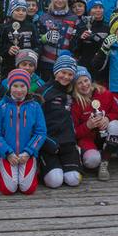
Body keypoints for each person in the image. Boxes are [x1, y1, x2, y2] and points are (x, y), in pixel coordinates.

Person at [0, 68, 47, 195]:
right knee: (8, 189)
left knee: (28, 189)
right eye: (15, 86)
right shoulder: (0, 106)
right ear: (9, 86)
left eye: (22, 86)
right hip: (8, 153)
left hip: (27, 153)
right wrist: (7, 153)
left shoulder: (35, 106)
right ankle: (3, 167)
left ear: (28, 87)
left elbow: (40, 132)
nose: (19, 90)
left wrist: (29, 152)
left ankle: (31, 167)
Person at [37, 54, 82, 188]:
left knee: (74, 180)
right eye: (63, 72)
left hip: (67, 144)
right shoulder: (43, 92)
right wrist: (46, 142)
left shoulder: (71, 93)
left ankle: (71, 162)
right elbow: (35, 122)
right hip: (49, 144)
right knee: (55, 181)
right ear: (56, 72)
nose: (66, 77)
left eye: (70, 74)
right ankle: (40, 166)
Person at [71, 67, 118, 181]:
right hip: (87, 139)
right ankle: (93, 157)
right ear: (74, 86)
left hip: (105, 135)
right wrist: (87, 126)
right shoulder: (75, 103)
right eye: (79, 83)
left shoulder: (105, 93)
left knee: (116, 126)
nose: (84, 85)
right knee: (92, 162)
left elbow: (117, 113)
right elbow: (73, 132)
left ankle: (105, 161)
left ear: (90, 80)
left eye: (86, 80)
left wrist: (108, 118)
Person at [37, 0, 79, 81]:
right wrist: (44, 38)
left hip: (66, 63)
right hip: (46, 62)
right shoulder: (44, 17)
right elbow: (36, 38)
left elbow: (76, 42)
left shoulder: (74, 18)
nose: (60, 0)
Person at [0, 0, 40, 76]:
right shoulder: (3, 27)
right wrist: (8, 49)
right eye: (17, 10)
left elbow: (37, 45)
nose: (21, 13)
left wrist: (33, 54)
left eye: (23, 10)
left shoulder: (31, 26)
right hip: (9, 65)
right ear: (11, 11)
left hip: (28, 65)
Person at [71, 0, 110, 68]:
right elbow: (74, 50)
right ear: (89, 10)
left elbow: (109, 49)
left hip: (101, 68)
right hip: (84, 67)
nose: (98, 10)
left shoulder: (108, 27)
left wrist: (96, 38)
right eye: (95, 7)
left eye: (100, 7)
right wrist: (81, 39)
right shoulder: (81, 26)